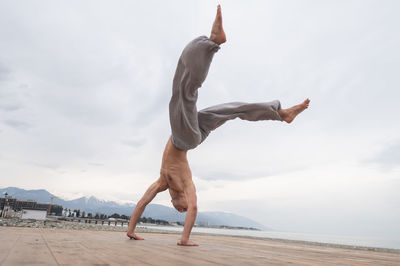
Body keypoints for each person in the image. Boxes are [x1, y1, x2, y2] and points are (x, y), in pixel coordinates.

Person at [126, 5, 310, 246]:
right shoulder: (182, 183)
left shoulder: (164, 182)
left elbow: (142, 202)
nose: (178, 208)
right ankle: (212, 44)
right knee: (185, 93)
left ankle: (280, 114)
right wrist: (184, 239)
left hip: (192, 135)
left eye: (177, 208)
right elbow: (193, 208)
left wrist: (130, 229)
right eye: (179, 209)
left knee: (230, 109)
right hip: (187, 138)